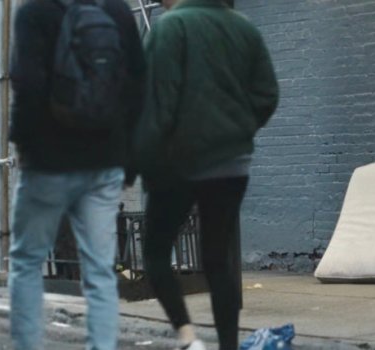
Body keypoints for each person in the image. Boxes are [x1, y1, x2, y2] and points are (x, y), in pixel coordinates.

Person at [135, 0, 278, 348]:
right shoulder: (244, 28)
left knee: (155, 253)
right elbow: (267, 94)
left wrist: (137, 163)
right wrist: (238, 130)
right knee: (217, 259)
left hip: (179, 163)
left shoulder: (170, 29)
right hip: (232, 162)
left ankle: (188, 339)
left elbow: (157, 106)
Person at [8, 0, 145, 348]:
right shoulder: (117, 11)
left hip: (48, 163)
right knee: (100, 271)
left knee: (26, 261)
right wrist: (129, 162)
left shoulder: (35, 12)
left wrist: (25, 148)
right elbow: (138, 88)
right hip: (104, 162)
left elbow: (27, 84)